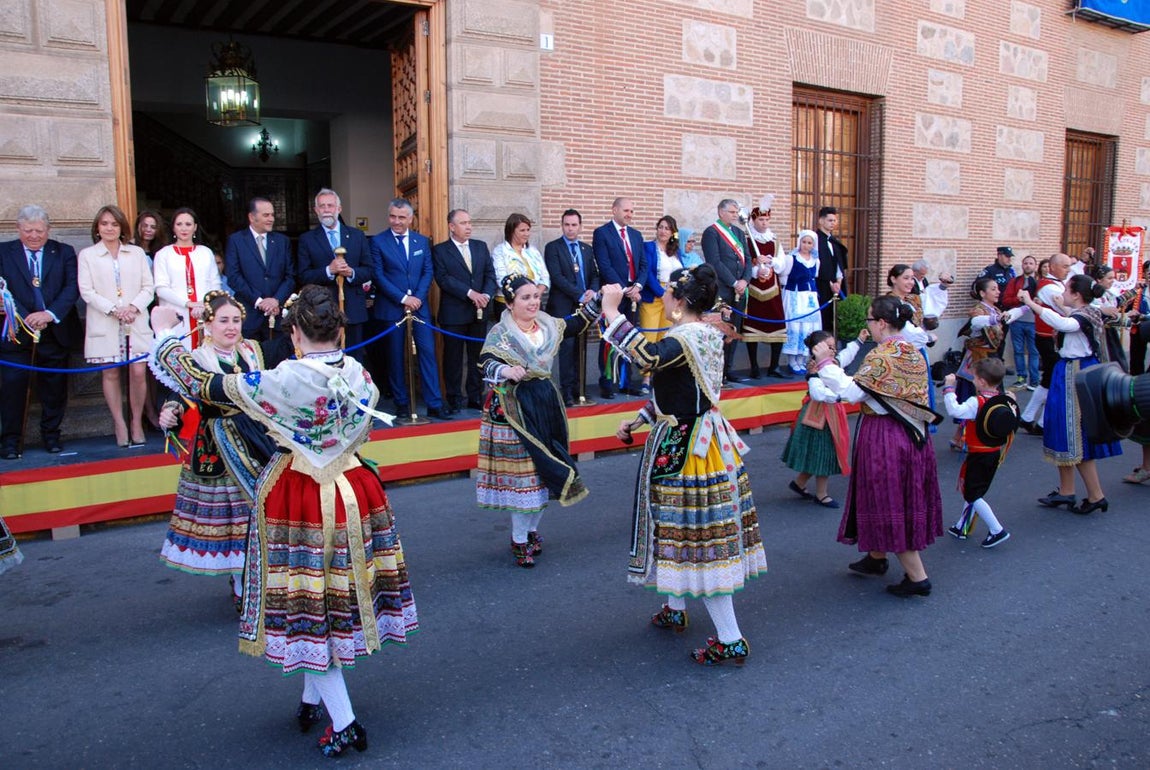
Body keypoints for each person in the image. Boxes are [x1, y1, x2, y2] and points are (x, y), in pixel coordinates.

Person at [151, 285, 417, 758]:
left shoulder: (281, 378)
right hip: (357, 486)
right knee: (333, 597)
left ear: (294, 334)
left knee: (307, 609)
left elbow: (205, 386)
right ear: (340, 329)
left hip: (302, 493)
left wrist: (165, 339)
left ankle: (346, 722)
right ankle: (312, 698)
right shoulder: (358, 371)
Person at [600, 265, 767, 666]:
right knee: (675, 528)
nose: (664, 299)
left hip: (688, 449)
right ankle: (675, 606)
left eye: (668, 293)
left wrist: (611, 312)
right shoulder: (705, 335)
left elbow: (647, 356)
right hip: (697, 439)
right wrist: (639, 421)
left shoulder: (685, 338)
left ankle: (730, 637)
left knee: (701, 540)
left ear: (679, 300)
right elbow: (676, 389)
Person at [155, 291, 282, 609]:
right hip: (219, 445)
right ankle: (243, 583)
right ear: (207, 326)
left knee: (261, 511)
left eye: (236, 321)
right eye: (223, 321)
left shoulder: (253, 351)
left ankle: (261, 577)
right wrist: (172, 410)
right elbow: (185, 393)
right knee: (236, 519)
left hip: (257, 439)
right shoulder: (199, 358)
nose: (231, 327)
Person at [476, 274, 601, 567]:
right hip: (512, 408)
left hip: (544, 401)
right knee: (526, 478)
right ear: (509, 303)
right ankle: (519, 539)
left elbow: (577, 323)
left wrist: (601, 300)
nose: (533, 302)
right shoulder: (501, 333)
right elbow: (485, 361)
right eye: (525, 298)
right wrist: (505, 372)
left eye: (535, 296)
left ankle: (531, 532)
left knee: (546, 471)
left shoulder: (548, 325)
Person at [836, 295, 944, 598]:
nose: (867, 325)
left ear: (882, 323)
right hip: (913, 435)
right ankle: (876, 556)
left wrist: (824, 364)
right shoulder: (912, 350)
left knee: (890, 499)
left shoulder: (882, 356)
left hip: (886, 436)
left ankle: (917, 576)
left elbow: (851, 393)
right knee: (886, 495)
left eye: (870, 319)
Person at [1017, 276, 1122, 514]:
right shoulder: (1088, 311)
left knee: (1074, 433)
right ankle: (1067, 491)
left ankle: (1095, 495)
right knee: (1065, 432)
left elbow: (1066, 324)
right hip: (1071, 371)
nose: (1062, 291)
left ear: (1076, 294)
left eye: (1066, 288)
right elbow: (1067, 316)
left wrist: (1032, 304)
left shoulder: (1082, 316)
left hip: (1074, 373)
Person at [0, 204, 81, 458]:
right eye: (28, 231)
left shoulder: (64, 252)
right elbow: (3, 290)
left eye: (39, 231)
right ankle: (11, 441)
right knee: (12, 388)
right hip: (16, 334)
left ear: (48, 229)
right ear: (18, 229)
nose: (34, 236)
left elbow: (71, 288)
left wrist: (48, 314)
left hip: (55, 330)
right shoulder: (3, 252)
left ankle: (52, 436)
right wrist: (26, 316)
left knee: (55, 388)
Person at [77, 204, 154, 448]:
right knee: (110, 372)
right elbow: (86, 291)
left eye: (114, 223)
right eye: (104, 224)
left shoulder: (137, 253)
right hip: (106, 320)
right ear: (97, 228)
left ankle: (136, 422)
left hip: (135, 319)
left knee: (138, 372)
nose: (109, 228)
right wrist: (113, 309)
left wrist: (132, 307)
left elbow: (148, 287)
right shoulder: (88, 255)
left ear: (122, 227)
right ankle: (119, 423)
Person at [370, 198, 449, 419]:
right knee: (395, 356)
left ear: (410, 218)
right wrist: (404, 298)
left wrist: (417, 298)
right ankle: (401, 403)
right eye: (393, 216)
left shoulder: (421, 242)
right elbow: (379, 275)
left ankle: (434, 402)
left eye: (401, 217)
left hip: (419, 308)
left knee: (427, 353)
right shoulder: (378, 242)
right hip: (392, 308)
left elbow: (427, 271)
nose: (396, 221)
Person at [782, 329, 864, 509]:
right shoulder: (815, 368)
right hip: (819, 416)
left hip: (828, 413)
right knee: (823, 453)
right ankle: (821, 494)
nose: (833, 350)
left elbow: (845, 356)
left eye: (834, 347)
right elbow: (817, 392)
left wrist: (859, 341)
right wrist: (835, 397)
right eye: (830, 347)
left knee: (816, 454)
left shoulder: (830, 363)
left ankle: (800, 483)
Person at [941, 358, 1016, 548]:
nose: (972, 380)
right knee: (974, 489)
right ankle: (962, 526)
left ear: (982, 381)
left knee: (973, 493)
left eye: (974, 377)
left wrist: (949, 389)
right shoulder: (1005, 400)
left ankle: (996, 530)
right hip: (993, 452)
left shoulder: (977, 402)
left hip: (978, 453)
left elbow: (955, 411)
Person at [432, 208, 496, 414]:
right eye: (463, 223)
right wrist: (470, 293)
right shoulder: (440, 250)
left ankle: (475, 396)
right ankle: (453, 398)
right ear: (452, 226)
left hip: (479, 311)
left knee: (477, 357)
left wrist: (485, 295)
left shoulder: (480, 247)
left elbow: (490, 274)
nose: (468, 227)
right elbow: (443, 279)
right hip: (454, 313)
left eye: (469, 222)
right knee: (453, 359)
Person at [296, 188, 371, 358]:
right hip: (321, 310)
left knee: (355, 358)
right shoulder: (307, 239)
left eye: (330, 205)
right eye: (322, 206)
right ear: (316, 210)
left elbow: (368, 270)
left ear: (339, 209)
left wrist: (351, 272)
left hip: (353, 310)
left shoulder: (357, 236)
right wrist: (328, 271)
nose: (327, 209)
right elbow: (303, 275)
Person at [1008, 253, 1072, 435]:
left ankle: (1034, 420)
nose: (1068, 270)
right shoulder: (1050, 288)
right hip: (1048, 338)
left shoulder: (1056, 285)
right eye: (1065, 266)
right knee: (1053, 379)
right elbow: (1070, 310)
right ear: (1052, 267)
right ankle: (1036, 420)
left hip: (1052, 337)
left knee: (1052, 380)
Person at [543, 209, 599, 406]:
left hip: (585, 308)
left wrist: (592, 291)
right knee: (567, 349)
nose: (570, 229)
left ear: (580, 226)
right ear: (562, 225)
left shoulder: (586, 249)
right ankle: (566, 391)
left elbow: (594, 274)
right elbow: (557, 278)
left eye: (574, 225)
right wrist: (580, 295)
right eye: (567, 224)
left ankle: (579, 389)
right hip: (564, 307)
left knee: (581, 348)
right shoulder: (553, 248)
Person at [592, 198, 647, 398]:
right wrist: (624, 289)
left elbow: (643, 265)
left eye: (632, 211)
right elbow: (604, 265)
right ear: (614, 210)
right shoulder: (602, 233)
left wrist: (638, 286)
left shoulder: (636, 235)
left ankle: (625, 383)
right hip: (613, 297)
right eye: (626, 210)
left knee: (629, 340)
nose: (629, 214)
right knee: (609, 340)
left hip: (633, 298)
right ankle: (606, 384)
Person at [225, 197, 294, 342]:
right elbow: (233, 277)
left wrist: (276, 300)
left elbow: (290, 276)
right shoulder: (236, 240)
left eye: (272, 215)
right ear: (251, 217)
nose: (271, 219)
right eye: (266, 215)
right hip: (249, 315)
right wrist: (259, 301)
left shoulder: (282, 241)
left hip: (277, 317)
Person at [152, 207, 221, 349]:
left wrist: (203, 303)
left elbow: (215, 285)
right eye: (179, 224)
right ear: (173, 228)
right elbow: (161, 288)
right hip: (177, 314)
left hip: (204, 312)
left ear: (195, 227)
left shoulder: (206, 253)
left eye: (188, 224)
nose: (184, 228)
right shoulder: (163, 254)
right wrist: (188, 303)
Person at [949, 276, 1004, 451]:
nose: (997, 292)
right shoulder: (978, 312)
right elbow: (977, 323)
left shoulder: (993, 309)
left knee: (987, 396)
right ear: (982, 292)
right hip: (978, 359)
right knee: (976, 397)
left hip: (990, 357)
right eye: (993, 289)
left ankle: (961, 436)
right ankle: (965, 437)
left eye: (997, 289)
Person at [702, 198, 751, 382]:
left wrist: (745, 281)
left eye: (736, 212)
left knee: (734, 329)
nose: (735, 215)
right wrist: (733, 282)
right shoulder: (712, 232)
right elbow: (714, 262)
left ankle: (728, 369)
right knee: (720, 330)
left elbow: (747, 258)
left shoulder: (739, 232)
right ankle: (717, 371)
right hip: (723, 290)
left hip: (740, 289)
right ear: (721, 212)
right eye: (732, 212)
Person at [637, 215, 684, 393]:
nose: (663, 231)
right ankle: (646, 378)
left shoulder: (675, 251)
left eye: (667, 228)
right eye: (661, 227)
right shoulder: (648, 247)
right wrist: (662, 293)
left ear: (673, 233)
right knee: (649, 338)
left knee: (666, 338)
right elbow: (647, 273)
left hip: (671, 300)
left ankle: (661, 377)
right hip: (653, 298)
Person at [744, 201, 788, 379]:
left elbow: (782, 263)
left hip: (772, 289)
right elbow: (744, 263)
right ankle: (754, 366)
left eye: (767, 219)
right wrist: (755, 268)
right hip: (754, 289)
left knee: (777, 324)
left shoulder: (775, 241)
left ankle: (774, 366)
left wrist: (771, 261)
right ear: (754, 221)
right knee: (752, 327)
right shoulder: (747, 241)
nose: (764, 223)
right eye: (761, 219)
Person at [771, 229, 821, 375]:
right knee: (795, 326)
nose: (806, 245)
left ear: (813, 245)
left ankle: (801, 359)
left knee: (807, 327)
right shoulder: (791, 258)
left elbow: (814, 277)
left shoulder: (816, 261)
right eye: (804, 242)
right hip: (794, 296)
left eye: (809, 243)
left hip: (810, 299)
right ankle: (792, 360)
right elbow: (783, 276)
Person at [492, 213, 550, 305]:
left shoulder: (533, 251)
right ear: (511, 231)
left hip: (534, 302)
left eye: (528, 230)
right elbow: (501, 279)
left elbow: (544, 276)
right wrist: (523, 296)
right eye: (522, 230)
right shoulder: (500, 251)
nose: (526, 234)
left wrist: (536, 294)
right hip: (508, 303)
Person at [1001, 254, 1040, 390]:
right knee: (1018, 351)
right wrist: (1020, 300)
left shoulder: (1039, 282)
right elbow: (1006, 300)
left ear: (1035, 266)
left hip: (1034, 322)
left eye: (1031, 263)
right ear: (1022, 265)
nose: (1028, 265)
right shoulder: (1015, 281)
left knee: (1033, 351)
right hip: (1017, 321)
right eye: (1025, 263)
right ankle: (1021, 378)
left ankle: (1034, 380)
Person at [815, 206, 847, 331]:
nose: (833, 223)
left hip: (836, 286)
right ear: (821, 221)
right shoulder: (815, 240)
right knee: (823, 317)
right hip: (821, 285)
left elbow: (839, 264)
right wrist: (830, 283)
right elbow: (819, 265)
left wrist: (838, 282)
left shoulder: (834, 241)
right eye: (830, 220)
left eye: (834, 220)